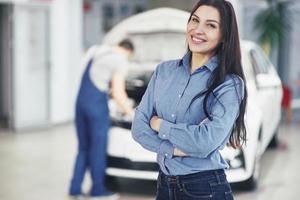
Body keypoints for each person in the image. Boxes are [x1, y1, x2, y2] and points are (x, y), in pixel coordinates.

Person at [131, 0, 247, 199]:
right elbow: (139, 129)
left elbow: (205, 142)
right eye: (195, 20)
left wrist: (160, 125)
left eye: (210, 25)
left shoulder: (229, 84)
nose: (198, 29)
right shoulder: (164, 71)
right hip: (164, 185)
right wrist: (175, 148)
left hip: (205, 188)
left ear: (224, 36)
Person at [69, 39, 134, 200]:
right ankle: (98, 191)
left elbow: (98, 79)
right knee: (97, 149)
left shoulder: (96, 50)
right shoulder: (119, 60)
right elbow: (119, 93)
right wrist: (131, 113)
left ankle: (75, 188)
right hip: (96, 106)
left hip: (80, 103)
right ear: (129, 51)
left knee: (83, 147)